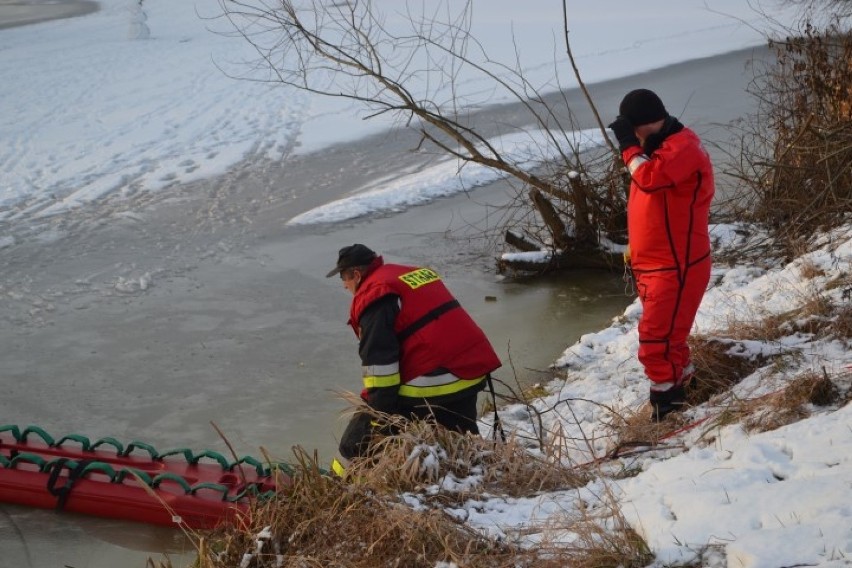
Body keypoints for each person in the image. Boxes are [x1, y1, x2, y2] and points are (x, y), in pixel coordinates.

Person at [327, 244, 501, 470]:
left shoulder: (374, 294)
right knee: (461, 440)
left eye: (344, 278)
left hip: (434, 379)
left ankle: (343, 490)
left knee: (354, 443)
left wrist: (378, 419)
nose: (344, 285)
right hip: (469, 371)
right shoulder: (408, 273)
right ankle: (473, 474)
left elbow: (381, 370)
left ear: (357, 275)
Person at [607, 89, 714, 422]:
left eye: (632, 131)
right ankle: (688, 387)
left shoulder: (682, 148)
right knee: (670, 338)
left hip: (676, 265)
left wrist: (628, 147)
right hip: (656, 265)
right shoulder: (658, 151)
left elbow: (650, 179)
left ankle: (667, 408)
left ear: (640, 126)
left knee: (656, 339)